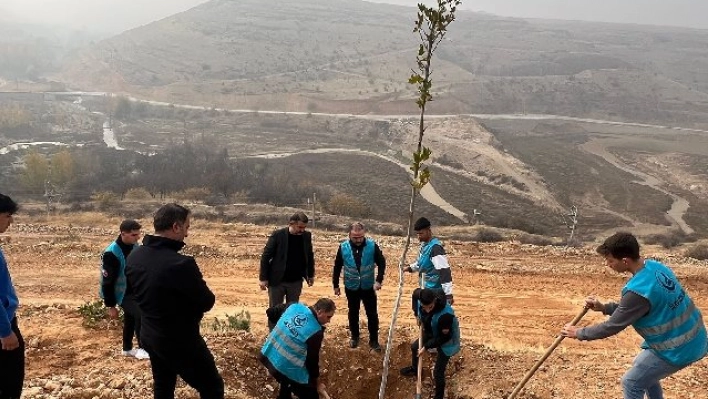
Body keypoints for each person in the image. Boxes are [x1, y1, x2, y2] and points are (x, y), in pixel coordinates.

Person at [561, 232, 707, 399]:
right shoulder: (656, 267)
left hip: (680, 348)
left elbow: (611, 326)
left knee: (631, 382)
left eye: (610, 260)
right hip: (696, 337)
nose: (608, 265)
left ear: (625, 260)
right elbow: (636, 308)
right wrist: (604, 307)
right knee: (642, 367)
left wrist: (579, 333)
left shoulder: (637, 291)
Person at [126, 204, 224, 399]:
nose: (187, 234)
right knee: (212, 387)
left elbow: (135, 294)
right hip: (180, 341)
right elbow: (206, 301)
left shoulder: (135, 255)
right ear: (176, 227)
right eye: (187, 227)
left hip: (149, 335)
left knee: (163, 384)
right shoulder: (180, 264)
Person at [260, 298, 336, 399]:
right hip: (282, 366)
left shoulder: (294, 306)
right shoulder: (315, 331)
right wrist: (316, 384)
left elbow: (271, 312)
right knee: (311, 394)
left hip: (267, 356)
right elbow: (311, 362)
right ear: (320, 312)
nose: (329, 321)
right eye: (328, 317)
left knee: (287, 383)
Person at [332, 222, 386, 350]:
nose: (358, 240)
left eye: (360, 237)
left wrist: (378, 280)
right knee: (353, 312)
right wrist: (335, 285)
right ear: (349, 234)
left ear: (364, 234)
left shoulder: (372, 246)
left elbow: (382, 263)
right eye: (355, 237)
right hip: (351, 287)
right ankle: (354, 337)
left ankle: (374, 340)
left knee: (372, 314)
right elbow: (337, 266)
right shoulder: (343, 247)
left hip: (368, 286)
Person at [100, 219, 149, 360]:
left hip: (134, 291)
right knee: (141, 314)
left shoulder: (135, 247)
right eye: (134, 235)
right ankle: (143, 348)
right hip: (121, 294)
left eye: (138, 234)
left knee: (130, 318)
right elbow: (107, 282)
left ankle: (127, 349)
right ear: (123, 234)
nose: (137, 237)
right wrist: (110, 305)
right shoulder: (111, 253)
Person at [400, 288, 461, 399]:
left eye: (430, 307)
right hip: (431, 330)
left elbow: (444, 337)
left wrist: (427, 346)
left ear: (435, 301)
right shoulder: (421, 296)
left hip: (447, 341)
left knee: (438, 372)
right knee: (414, 347)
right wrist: (416, 314)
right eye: (424, 307)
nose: (427, 310)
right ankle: (415, 369)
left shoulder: (445, 315)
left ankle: (439, 396)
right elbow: (414, 295)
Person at [259, 212, 315, 329]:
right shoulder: (278, 235)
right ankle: (273, 337)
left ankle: (289, 337)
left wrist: (310, 274)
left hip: (295, 281)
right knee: (275, 311)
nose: (302, 230)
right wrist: (263, 278)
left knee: (292, 312)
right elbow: (266, 256)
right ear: (291, 223)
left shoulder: (306, 236)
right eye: (300, 227)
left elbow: (309, 256)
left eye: (304, 227)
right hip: (276, 281)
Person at [0, 194, 24, 399]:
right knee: (9, 385)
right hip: (3, 326)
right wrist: (5, 330)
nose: (11, 221)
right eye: (7, 216)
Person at [404, 217, 454, 304]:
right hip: (425, 288)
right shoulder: (424, 246)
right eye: (418, 234)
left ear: (428, 231)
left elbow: (444, 271)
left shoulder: (435, 248)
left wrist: (448, 294)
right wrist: (410, 268)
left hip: (435, 291)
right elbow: (422, 263)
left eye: (421, 233)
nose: (419, 236)